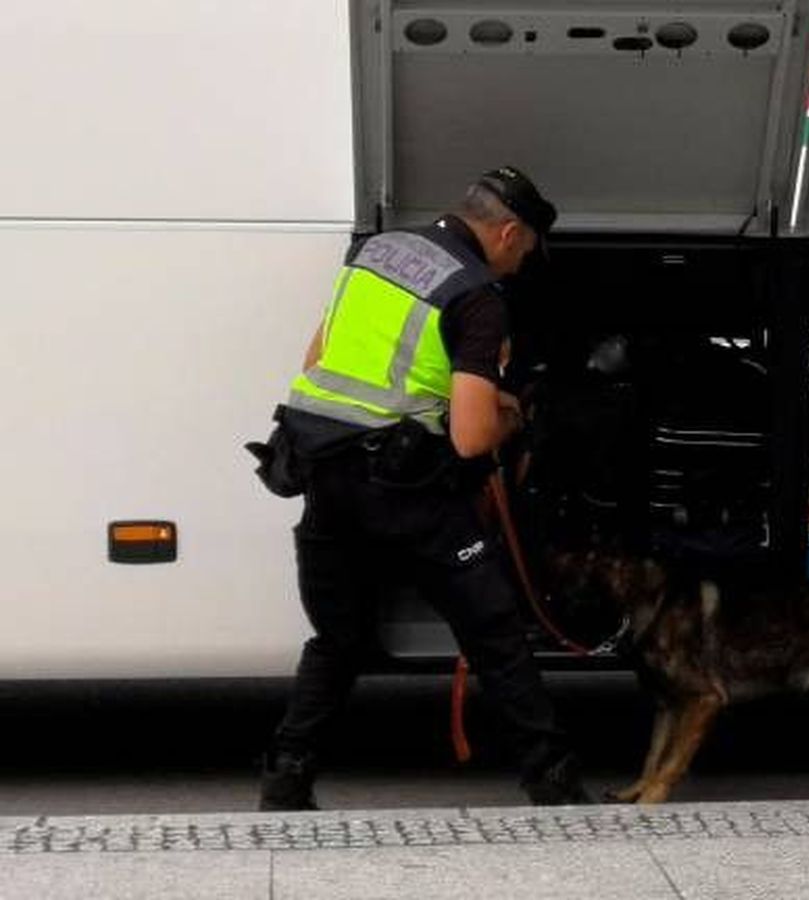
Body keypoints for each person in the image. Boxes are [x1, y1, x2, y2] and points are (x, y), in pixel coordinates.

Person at [248, 166, 591, 810]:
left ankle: (286, 778)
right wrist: (509, 414)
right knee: (494, 633)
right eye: (524, 252)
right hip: (409, 495)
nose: (520, 267)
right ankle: (555, 783)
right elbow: (468, 439)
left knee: (337, 639)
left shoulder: (374, 252)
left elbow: (318, 361)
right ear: (509, 231)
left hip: (322, 472)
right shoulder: (479, 297)